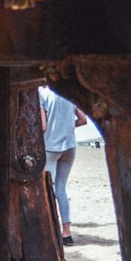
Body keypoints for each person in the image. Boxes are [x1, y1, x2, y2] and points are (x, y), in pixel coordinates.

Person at [39, 87, 87, 245]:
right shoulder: (69, 94)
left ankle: (49, 228)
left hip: (51, 147)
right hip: (70, 146)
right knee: (61, 189)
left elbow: (43, 126)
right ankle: (67, 233)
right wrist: (66, 127)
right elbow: (83, 120)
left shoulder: (42, 94)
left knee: (47, 189)